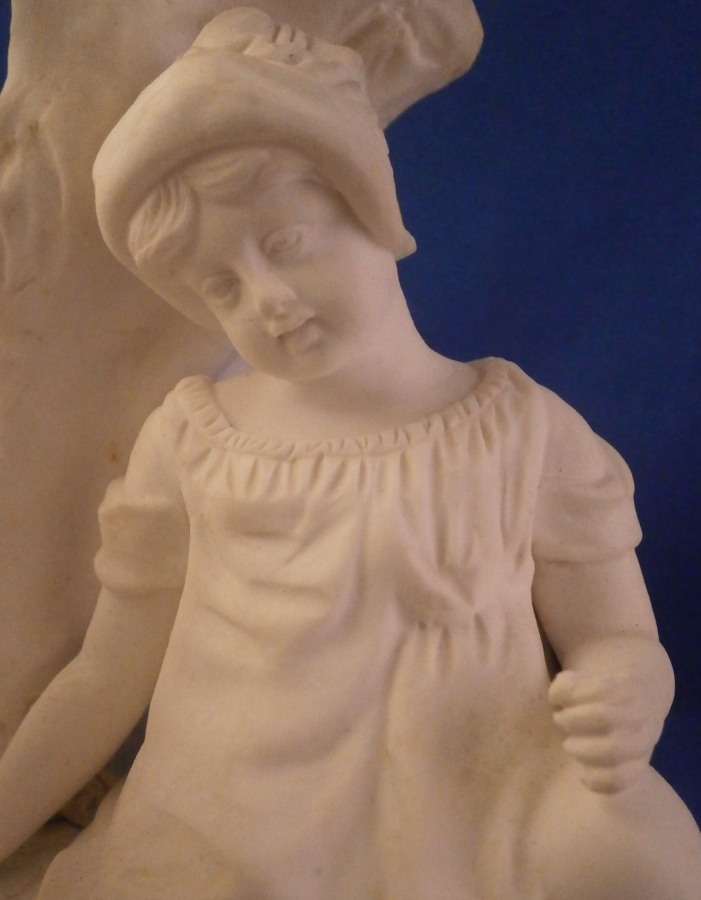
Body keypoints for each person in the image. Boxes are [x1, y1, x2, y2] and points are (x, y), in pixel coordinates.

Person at [1, 9, 699, 899]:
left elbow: (614, 637)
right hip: (232, 826)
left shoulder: (524, 433)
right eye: (220, 286)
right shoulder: (194, 442)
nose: (267, 300)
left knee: (647, 856)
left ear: (371, 207)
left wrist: (628, 691)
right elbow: (106, 679)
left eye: (285, 244)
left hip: (481, 812)